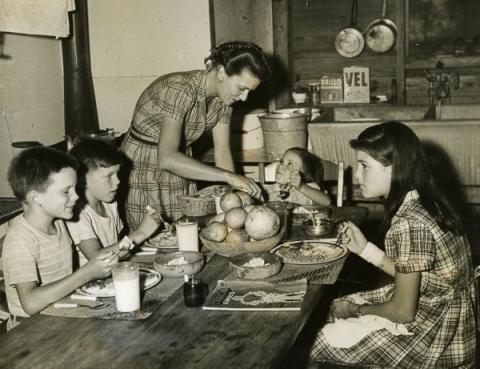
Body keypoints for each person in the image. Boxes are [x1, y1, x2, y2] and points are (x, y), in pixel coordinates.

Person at [310, 121, 476, 367]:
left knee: (321, 339)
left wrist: (357, 311)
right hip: (450, 313)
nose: (357, 174)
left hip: (438, 332)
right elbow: (421, 276)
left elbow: (403, 311)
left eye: (364, 166)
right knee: (337, 310)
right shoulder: (425, 201)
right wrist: (365, 249)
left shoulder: (410, 223)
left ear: (395, 168)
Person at [120, 40, 269, 228]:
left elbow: (222, 153)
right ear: (222, 72)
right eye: (242, 88)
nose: (244, 97)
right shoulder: (180, 90)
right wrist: (229, 177)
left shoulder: (223, 101)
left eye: (249, 91)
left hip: (182, 164)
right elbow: (166, 158)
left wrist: (236, 194)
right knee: (153, 238)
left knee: (184, 232)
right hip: (144, 165)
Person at [2, 146, 119, 330]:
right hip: (29, 330)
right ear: (35, 198)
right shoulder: (20, 239)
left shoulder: (59, 224)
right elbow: (30, 304)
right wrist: (86, 273)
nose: (75, 196)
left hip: (61, 316)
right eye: (66, 191)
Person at [66, 138, 161, 266]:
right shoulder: (77, 214)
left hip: (113, 275)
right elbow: (97, 258)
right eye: (109, 175)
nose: (117, 181)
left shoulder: (109, 204)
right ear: (83, 179)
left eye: (117, 174)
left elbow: (119, 251)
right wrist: (140, 233)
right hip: (90, 284)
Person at [265, 147, 331, 207]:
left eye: (289, 164)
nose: (280, 166)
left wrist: (301, 187)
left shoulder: (306, 190)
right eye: (281, 161)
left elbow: (327, 202)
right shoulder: (270, 189)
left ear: (304, 174)